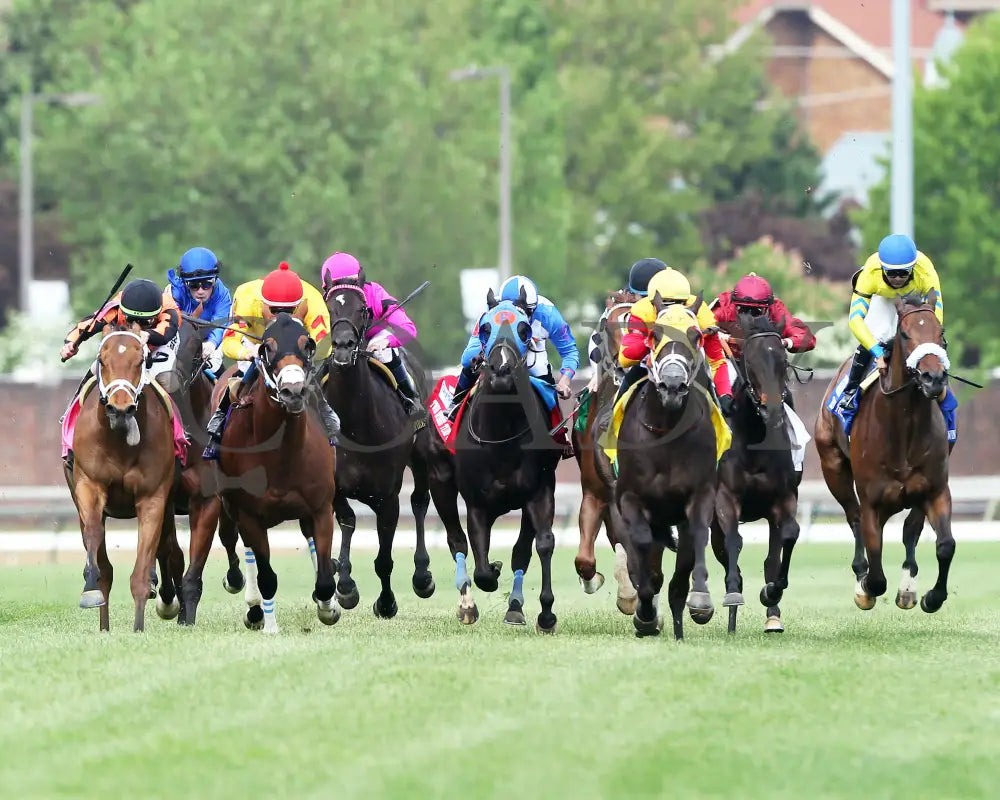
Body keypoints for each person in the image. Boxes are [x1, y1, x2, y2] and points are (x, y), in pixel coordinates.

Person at [202, 261, 340, 459]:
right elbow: (229, 342)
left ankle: (325, 411)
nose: (281, 317)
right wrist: (246, 353)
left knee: (303, 375)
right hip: (257, 343)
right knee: (244, 373)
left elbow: (325, 344)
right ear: (264, 304)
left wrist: (304, 352)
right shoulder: (247, 296)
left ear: (299, 305)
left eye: (290, 310)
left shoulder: (312, 298)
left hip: (295, 348)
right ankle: (220, 420)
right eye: (274, 310)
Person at [838, 234, 954, 428]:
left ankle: (944, 397)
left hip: (915, 300)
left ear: (913, 268)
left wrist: (929, 342)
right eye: (892, 274)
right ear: (882, 268)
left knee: (931, 339)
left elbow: (936, 318)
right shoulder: (870, 273)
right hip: (882, 298)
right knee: (879, 333)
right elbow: (855, 320)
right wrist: (878, 353)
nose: (898, 278)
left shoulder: (925, 271)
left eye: (903, 273)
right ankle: (850, 391)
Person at [710, 272, 816, 471]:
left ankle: (794, 460)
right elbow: (699, 326)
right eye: (743, 310)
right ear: (734, 304)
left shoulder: (776, 309)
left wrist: (784, 342)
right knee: (717, 394)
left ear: (767, 307)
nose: (748, 316)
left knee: (783, 395)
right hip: (730, 361)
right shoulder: (722, 306)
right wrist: (714, 334)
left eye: (756, 311)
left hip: (761, 365)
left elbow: (807, 337)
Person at [447, 274, 580, 418]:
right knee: (470, 360)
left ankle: (556, 425)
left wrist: (565, 380)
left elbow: (570, 351)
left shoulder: (549, 315)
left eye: (529, 311)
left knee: (541, 374)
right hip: (497, 344)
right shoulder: (490, 312)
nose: (525, 316)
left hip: (533, 346)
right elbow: (467, 358)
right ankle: (456, 403)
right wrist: (482, 353)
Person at [616, 267, 734, 414]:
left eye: (679, 303)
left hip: (691, 371)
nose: (672, 310)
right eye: (665, 304)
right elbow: (625, 359)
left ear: (687, 301)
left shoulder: (702, 315)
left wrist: (724, 394)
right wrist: (653, 339)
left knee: (717, 409)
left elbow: (716, 361)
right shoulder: (642, 311)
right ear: (653, 302)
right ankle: (610, 423)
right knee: (624, 392)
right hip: (647, 367)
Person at [320, 251, 423, 416]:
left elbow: (408, 329)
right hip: (338, 340)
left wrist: (387, 341)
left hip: (372, 337)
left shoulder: (375, 293)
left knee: (386, 354)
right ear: (326, 288)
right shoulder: (322, 301)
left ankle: (411, 400)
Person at [60, 278, 181, 395]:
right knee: (95, 368)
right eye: (131, 320)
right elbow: (89, 324)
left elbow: (166, 331)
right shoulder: (116, 307)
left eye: (144, 322)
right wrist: (71, 342)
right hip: (127, 343)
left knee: (167, 379)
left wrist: (149, 334)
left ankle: (181, 408)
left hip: (159, 343)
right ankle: (74, 403)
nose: (137, 326)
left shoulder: (169, 308)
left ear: (157, 313)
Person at [585, 257, 666, 394]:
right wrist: (597, 374)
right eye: (644, 298)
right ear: (634, 294)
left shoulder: (677, 302)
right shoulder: (619, 307)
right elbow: (596, 338)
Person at [165, 246, 233, 374]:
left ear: (215, 280)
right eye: (194, 285)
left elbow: (220, 324)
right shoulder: (175, 292)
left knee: (215, 367)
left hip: (208, 341)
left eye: (207, 284)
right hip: (176, 340)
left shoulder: (222, 294)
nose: (201, 291)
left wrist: (211, 344)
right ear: (185, 283)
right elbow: (171, 325)